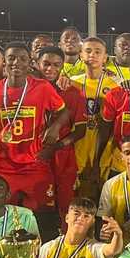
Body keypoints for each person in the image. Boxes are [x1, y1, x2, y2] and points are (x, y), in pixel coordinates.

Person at [0, 42, 70, 241]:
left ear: (30, 63)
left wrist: (55, 127)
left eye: (22, 58)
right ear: (5, 61)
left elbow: (64, 112)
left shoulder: (42, 87)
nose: (16, 62)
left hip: (35, 162)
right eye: (12, 58)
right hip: (4, 163)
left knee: (42, 216)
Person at [35, 47, 87, 222]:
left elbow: (80, 131)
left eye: (56, 65)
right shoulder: (27, 89)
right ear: (37, 64)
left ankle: (66, 243)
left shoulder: (73, 92)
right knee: (37, 204)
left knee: (65, 205)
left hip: (62, 157)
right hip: (33, 154)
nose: (50, 69)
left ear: (62, 66)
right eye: (46, 64)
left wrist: (56, 147)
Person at [39, 198, 123, 258]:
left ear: (92, 222)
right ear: (67, 218)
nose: (80, 218)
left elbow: (113, 249)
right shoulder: (50, 247)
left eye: (86, 216)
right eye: (76, 213)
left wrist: (118, 234)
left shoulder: (93, 248)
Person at [71, 37, 118, 196]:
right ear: (81, 55)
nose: (93, 55)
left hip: (103, 149)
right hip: (78, 147)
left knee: (100, 197)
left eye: (98, 52)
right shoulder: (72, 84)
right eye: (88, 51)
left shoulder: (115, 87)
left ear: (105, 57)